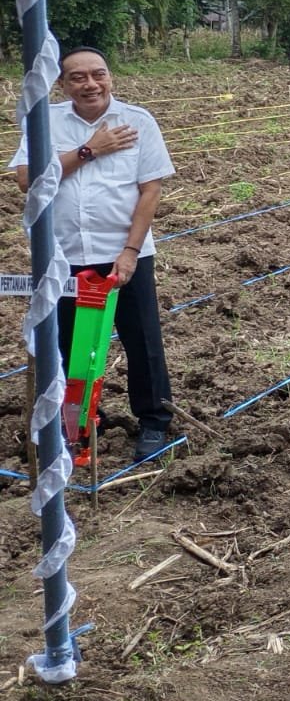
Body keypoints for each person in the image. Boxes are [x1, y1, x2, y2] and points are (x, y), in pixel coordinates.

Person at [10, 46, 177, 462]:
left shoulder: (137, 121)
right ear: (63, 84)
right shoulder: (44, 121)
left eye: (98, 74)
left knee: (141, 338)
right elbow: (27, 180)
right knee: (67, 342)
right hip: (62, 256)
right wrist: (89, 150)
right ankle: (79, 423)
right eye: (78, 77)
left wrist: (131, 251)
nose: (91, 84)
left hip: (123, 254)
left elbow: (150, 190)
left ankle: (154, 421)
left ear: (110, 77)